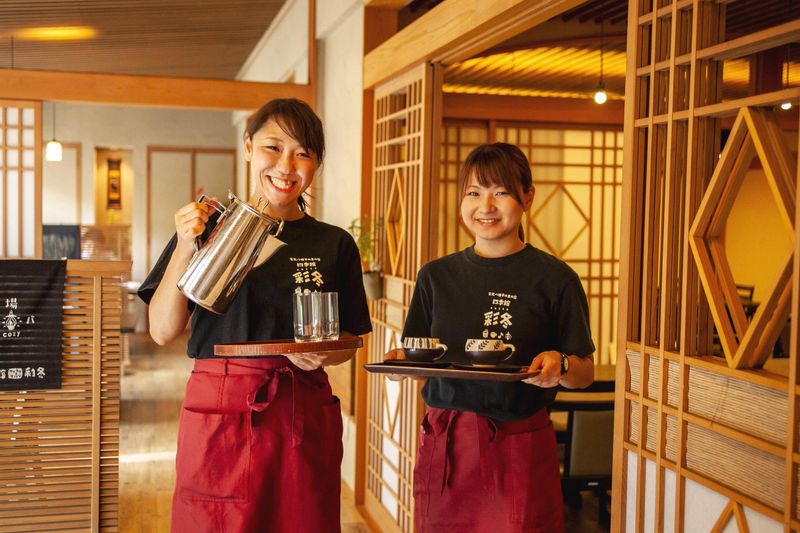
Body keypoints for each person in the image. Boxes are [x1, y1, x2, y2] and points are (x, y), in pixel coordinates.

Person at [138, 98, 372, 533]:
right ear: (248, 147)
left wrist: (324, 354)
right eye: (273, 147)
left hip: (302, 409)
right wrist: (187, 245)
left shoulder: (333, 243)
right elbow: (162, 329)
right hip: (220, 408)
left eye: (303, 152)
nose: (287, 165)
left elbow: (349, 340)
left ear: (316, 163)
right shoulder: (206, 227)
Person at [385, 142, 595, 532]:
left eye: (500, 192)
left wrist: (560, 366)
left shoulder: (556, 279)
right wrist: (401, 365)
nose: (486, 206)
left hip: (519, 443)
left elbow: (584, 372)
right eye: (474, 193)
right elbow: (420, 361)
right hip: (448, 443)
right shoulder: (435, 277)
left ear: (527, 197)